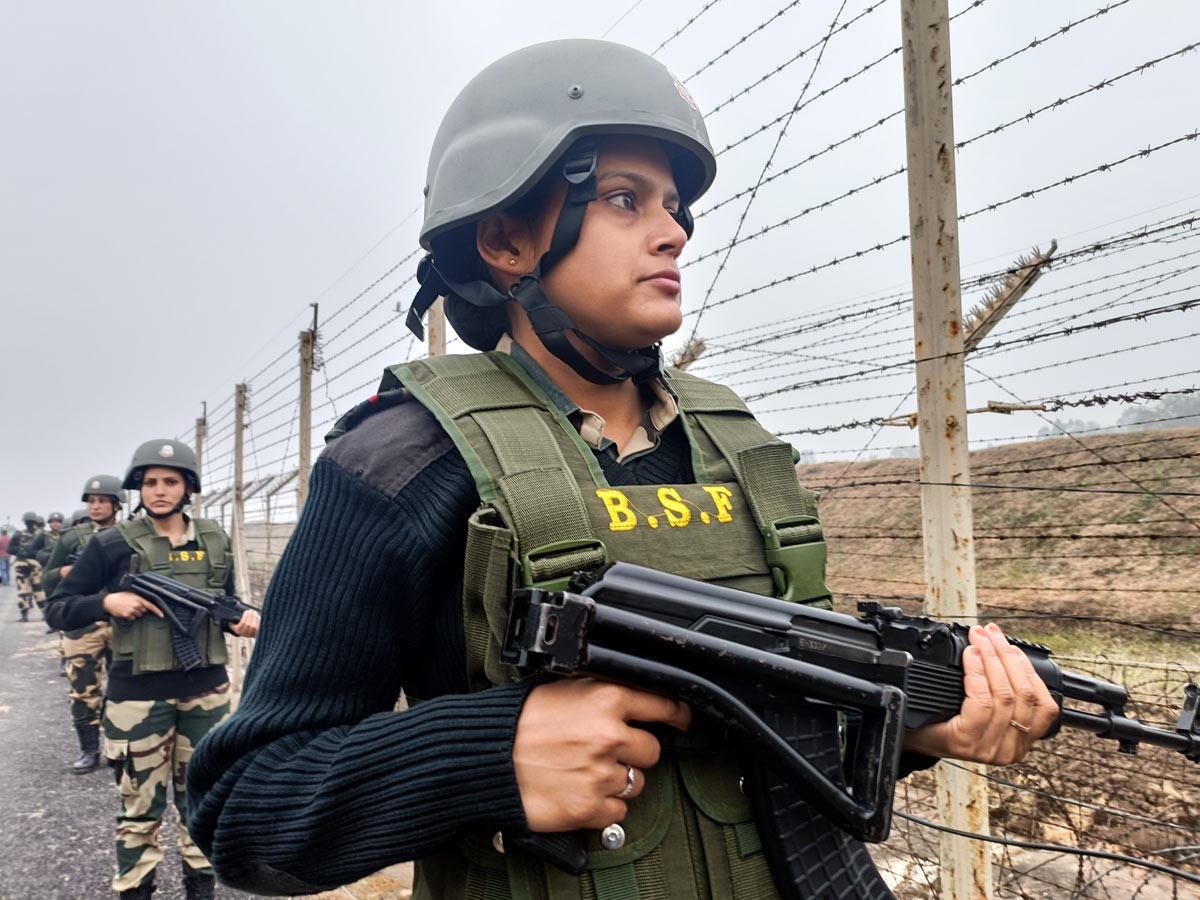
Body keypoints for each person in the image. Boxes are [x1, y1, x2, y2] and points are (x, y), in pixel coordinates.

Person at [185, 40, 1058, 899]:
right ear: (505, 240)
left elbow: (762, 717)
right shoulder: (403, 461)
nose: (673, 230)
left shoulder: (737, 447)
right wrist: (496, 753)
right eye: (622, 199)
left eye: (674, 205)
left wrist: (913, 722)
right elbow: (245, 812)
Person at [47, 440, 260, 899]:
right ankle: (136, 890)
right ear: (138, 488)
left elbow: (223, 605)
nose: (159, 490)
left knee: (202, 802)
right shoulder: (110, 544)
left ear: (188, 488)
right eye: (150, 482)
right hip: (137, 697)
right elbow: (58, 609)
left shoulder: (214, 539)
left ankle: (200, 891)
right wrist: (105, 601)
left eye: (170, 481)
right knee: (139, 809)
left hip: (207, 693)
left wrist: (243, 620)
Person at [44, 475, 125, 773]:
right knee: (82, 690)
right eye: (91, 501)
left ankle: (118, 748)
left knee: (124, 689)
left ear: (116, 504)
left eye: (103, 501)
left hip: (123, 624)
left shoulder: (130, 535)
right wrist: (66, 570)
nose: (96, 506)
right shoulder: (70, 538)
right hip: (81, 624)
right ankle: (89, 750)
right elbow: (47, 577)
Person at [10, 510, 46, 621]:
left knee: (24, 591)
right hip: (34, 565)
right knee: (38, 589)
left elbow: (10, 549)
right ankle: (43, 613)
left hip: (24, 564)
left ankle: (24, 615)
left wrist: (20, 551)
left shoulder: (19, 534)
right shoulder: (42, 534)